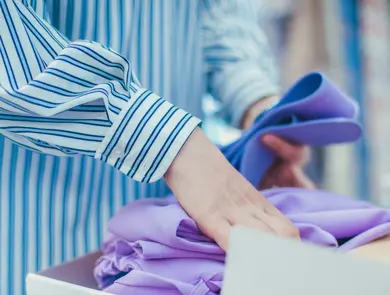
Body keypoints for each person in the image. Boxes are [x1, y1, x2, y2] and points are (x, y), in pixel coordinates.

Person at [0, 1, 312, 295]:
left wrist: (252, 100)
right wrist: (171, 144)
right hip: (32, 241)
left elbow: (215, 13)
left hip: (170, 248)